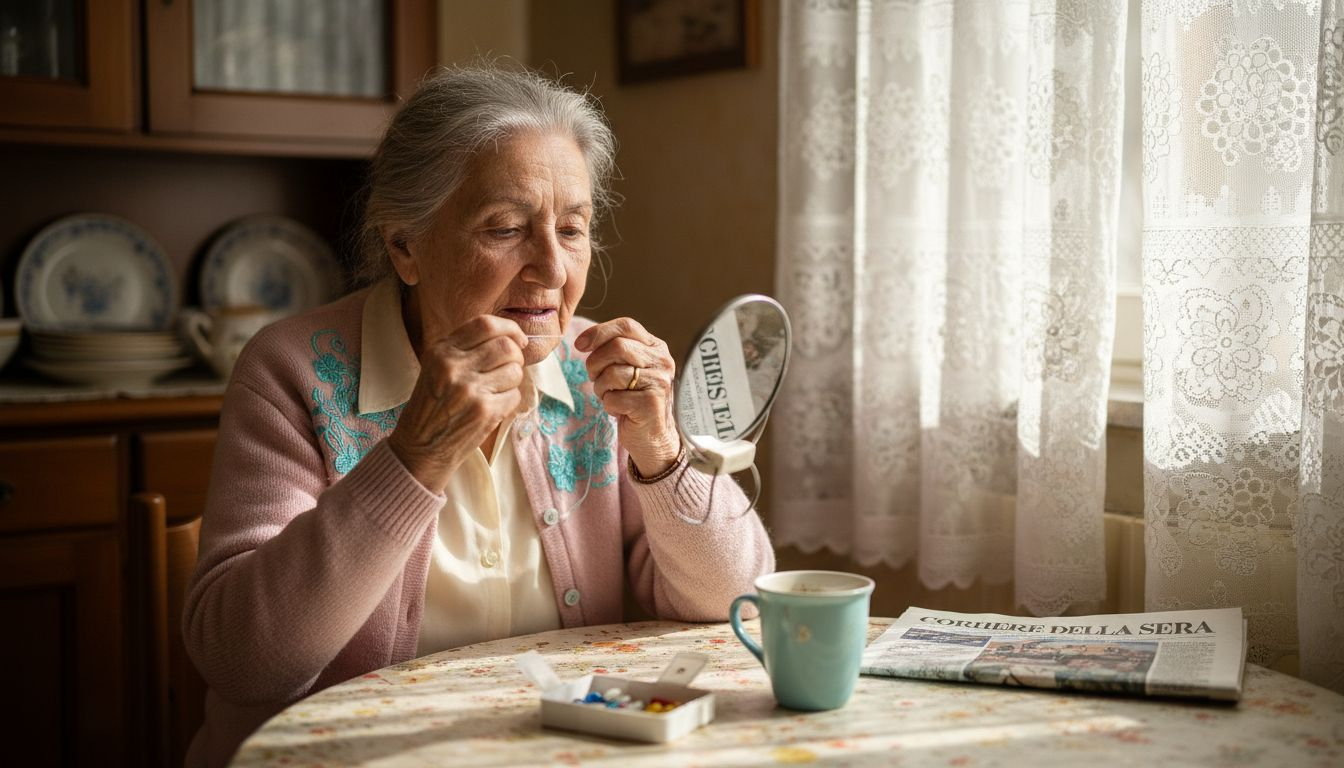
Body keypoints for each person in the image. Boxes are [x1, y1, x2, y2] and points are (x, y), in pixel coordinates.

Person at [182, 65, 775, 768]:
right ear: (405, 245)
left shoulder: (597, 375)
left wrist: (663, 450)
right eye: (506, 228)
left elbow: (736, 602)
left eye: (573, 229)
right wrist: (415, 455)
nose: (552, 269)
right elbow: (245, 661)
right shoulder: (294, 371)